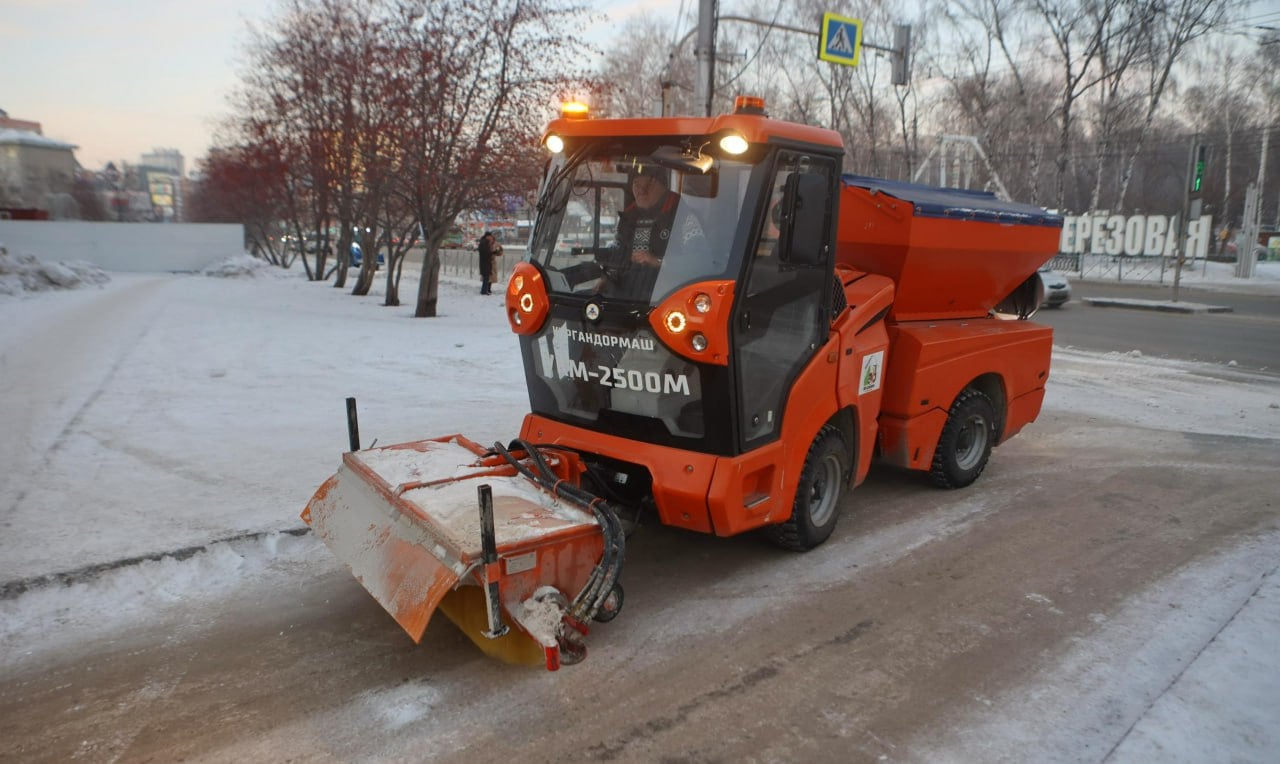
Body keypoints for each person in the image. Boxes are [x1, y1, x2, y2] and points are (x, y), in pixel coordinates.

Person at [603, 165, 704, 298]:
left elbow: (698, 261)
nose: (641, 191)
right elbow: (618, 252)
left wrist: (656, 261)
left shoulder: (683, 216)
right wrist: (606, 278)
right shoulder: (628, 217)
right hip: (627, 295)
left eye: (649, 184)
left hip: (667, 297)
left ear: (663, 187)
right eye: (636, 184)